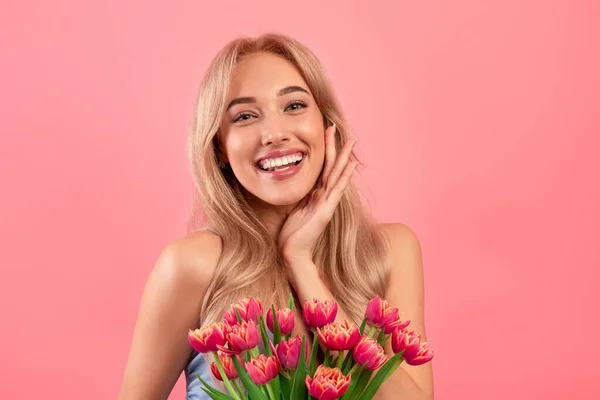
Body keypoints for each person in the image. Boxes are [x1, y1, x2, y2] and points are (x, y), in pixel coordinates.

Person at [118, 32, 434, 400]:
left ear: (326, 125)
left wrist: (301, 264)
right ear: (219, 146)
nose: (275, 134)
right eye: (246, 116)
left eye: (295, 106)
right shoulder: (191, 265)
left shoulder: (390, 251)